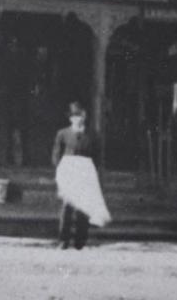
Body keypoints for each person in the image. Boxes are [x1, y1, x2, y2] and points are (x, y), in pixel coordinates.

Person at [52, 101, 109, 249]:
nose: (78, 119)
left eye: (81, 115)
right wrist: (60, 171)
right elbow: (57, 155)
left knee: (84, 207)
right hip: (69, 170)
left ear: (85, 116)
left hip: (85, 171)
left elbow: (97, 157)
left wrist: (91, 172)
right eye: (75, 116)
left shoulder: (92, 135)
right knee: (68, 206)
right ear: (70, 118)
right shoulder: (63, 133)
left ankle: (80, 242)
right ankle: (63, 240)